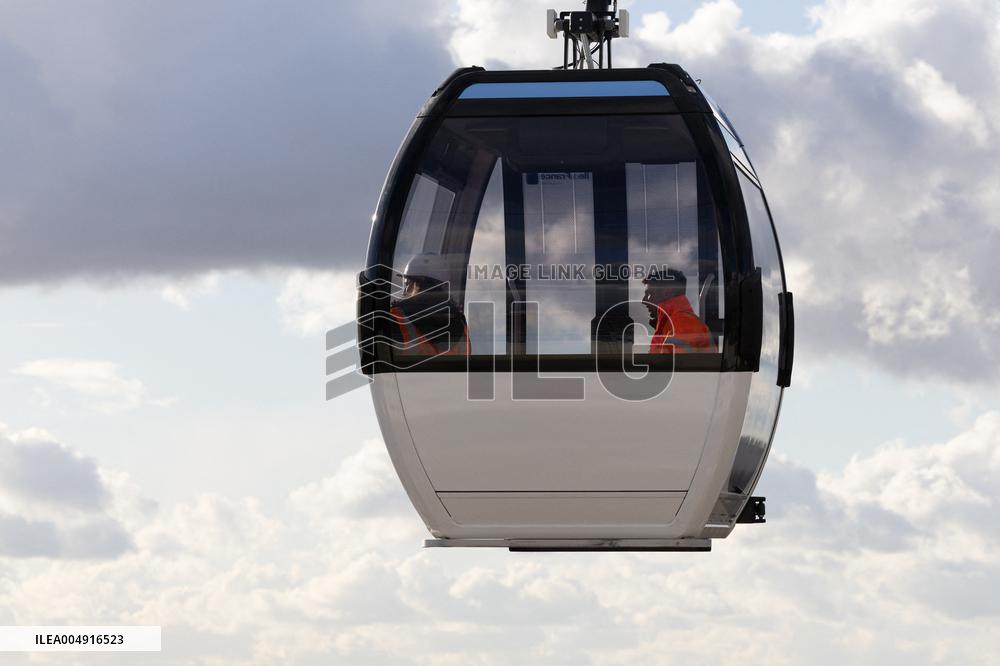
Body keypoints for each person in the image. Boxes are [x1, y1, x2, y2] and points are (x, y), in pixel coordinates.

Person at [390, 254, 469, 356]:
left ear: (415, 284)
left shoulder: (396, 317)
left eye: (407, 282)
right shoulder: (461, 323)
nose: (406, 289)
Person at [642, 269, 713, 353]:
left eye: (649, 294)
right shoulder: (672, 323)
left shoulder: (682, 323)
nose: (643, 301)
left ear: (667, 292)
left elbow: (674, 364)